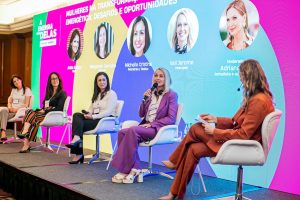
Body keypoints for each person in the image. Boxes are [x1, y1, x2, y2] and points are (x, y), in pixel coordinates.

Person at [159, 59, 275, 200]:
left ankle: (174, 161)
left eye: (242, 76)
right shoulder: (255, 98)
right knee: (193, 149)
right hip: (236, 142)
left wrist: (214, 131)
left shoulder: (259, 101)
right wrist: (215, 119)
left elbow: (243, 135)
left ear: (249, 76)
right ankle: (175, 194)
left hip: (243, 146)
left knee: (196, 128)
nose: (240, 80)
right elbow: (234, 122)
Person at [111, 67, 178, 184]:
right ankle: (135, 167)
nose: (158, 78)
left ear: (166, 79)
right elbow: (141, 114)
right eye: (156, 75)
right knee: (122, 132)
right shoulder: (151, 93)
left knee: (132, 130)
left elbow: (171, 118)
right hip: (145, 126)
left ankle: (124, 170)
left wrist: (152, 124)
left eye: (161, 76)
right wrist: (144, 100)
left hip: (158, 129)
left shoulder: (171, 95)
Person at [66, 72, 118, 164]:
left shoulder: (112, 94)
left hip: (104, 120)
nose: (102, 82)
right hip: (95, 119)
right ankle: (77, 139)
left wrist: (93, 116)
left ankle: (78, 154)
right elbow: (91, 109)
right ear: (96, 83)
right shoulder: (97, 95)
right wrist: (88, 114)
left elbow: (108, 112)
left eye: (103, 80)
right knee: (76, 115)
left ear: (107, 81)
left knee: (78, 125)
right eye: (99, 80)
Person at [17, 72, 67, 153]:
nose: (54, 80)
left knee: (34, 119)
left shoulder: (62, 93)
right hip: (45, 114)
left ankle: (25, 140)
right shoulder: (49, 93)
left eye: (56, 78)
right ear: (50, 81)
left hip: (53, 116)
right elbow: (45, 105)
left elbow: (59, 108)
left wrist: (45, 110)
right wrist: (42, 109)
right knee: (30, 111)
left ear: (59, 79)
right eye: (52, 79)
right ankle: (25, 137)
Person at [0, 75, 32, 143]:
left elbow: (26, 104)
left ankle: (3, 133)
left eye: (17, 80)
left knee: (2, 115)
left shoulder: (27, 90)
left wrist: (16, 109)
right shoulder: (14, 90)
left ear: (21, 80)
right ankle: (3, 132)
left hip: (20, 111)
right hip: (11, 110)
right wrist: (9, 107)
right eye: (14, 81)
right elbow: (10, 100)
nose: (16, 82)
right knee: (3, 110)